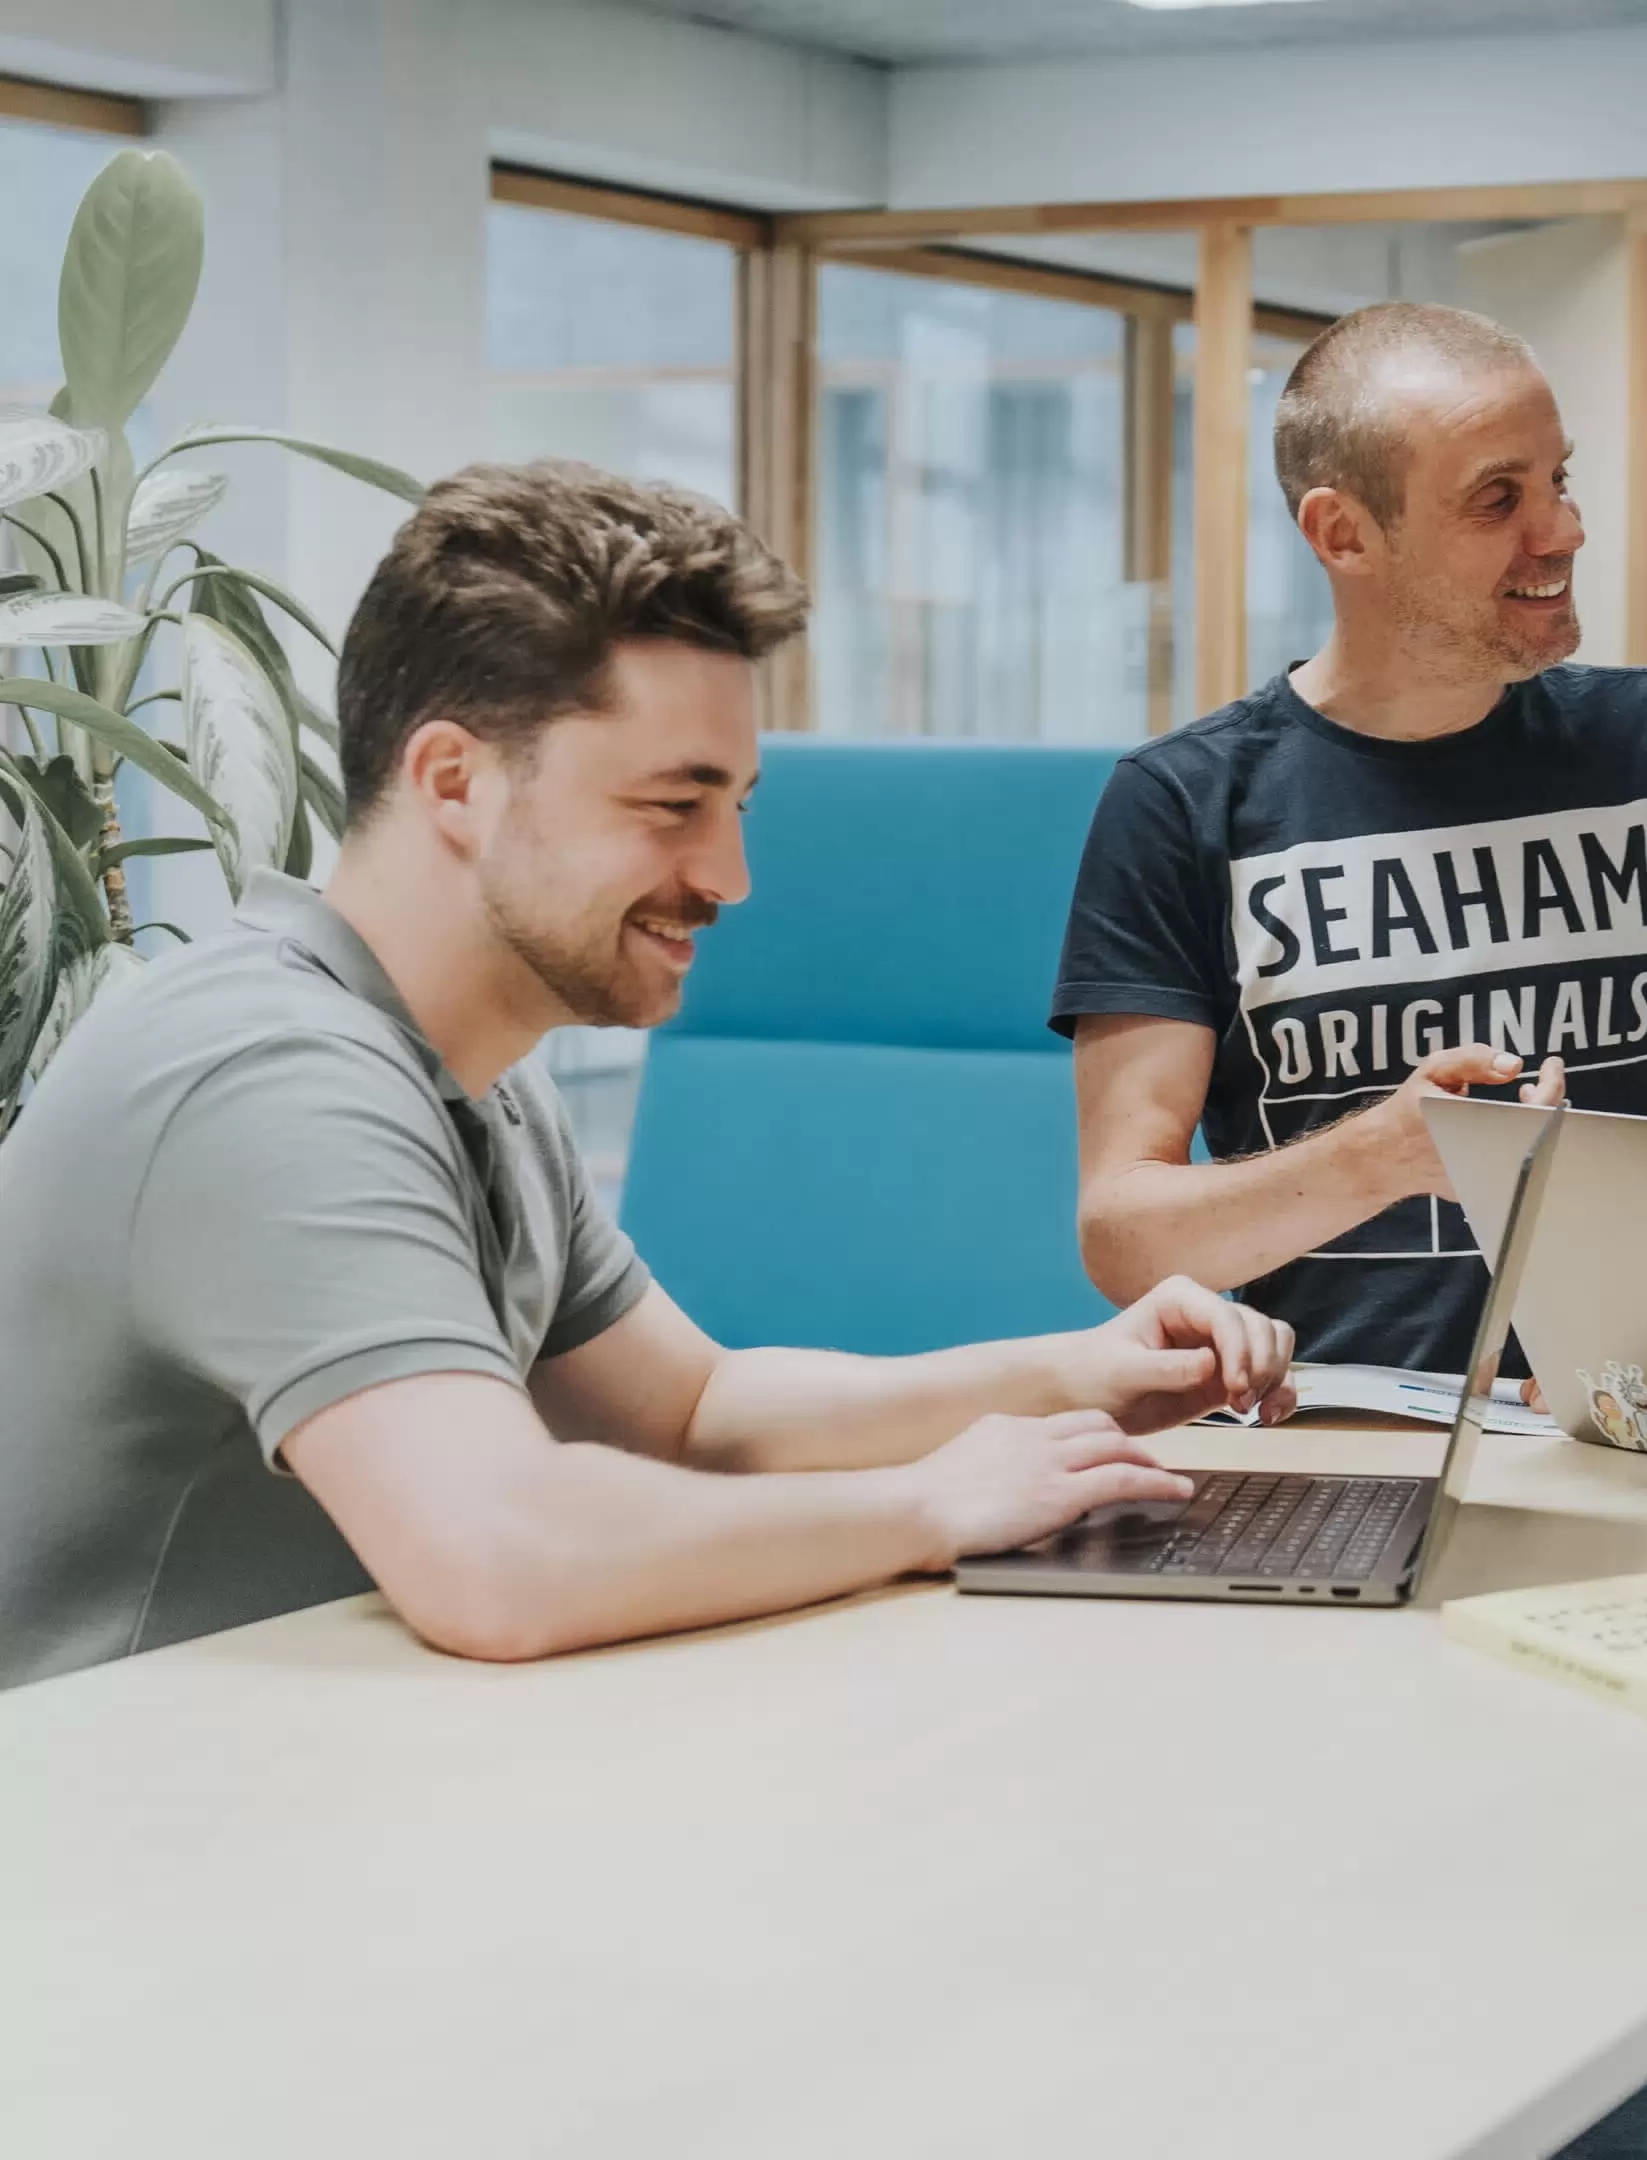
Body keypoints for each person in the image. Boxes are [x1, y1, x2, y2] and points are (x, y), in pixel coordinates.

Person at [0, 460, 1293, 1693]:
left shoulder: (472, 1075)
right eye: (673, 806)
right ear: (456, 780)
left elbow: (692, 1409)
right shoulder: (273, 1077)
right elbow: (496, 1559)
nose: (731, 876)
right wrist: (927, 1506)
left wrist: (1072, 1373)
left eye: (736, 804)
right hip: (114, 1852)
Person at [1054, 301, 1647, 2160]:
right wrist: (1392, 1151)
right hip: (1316, 1484)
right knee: (1338, 2021)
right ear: (1346, 533)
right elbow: (1122, 1226)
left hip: (1624, 1469)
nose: (1561, 531)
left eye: (1560, 481)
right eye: (1498, 499)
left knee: (1620, 2015)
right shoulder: (1186, 806)